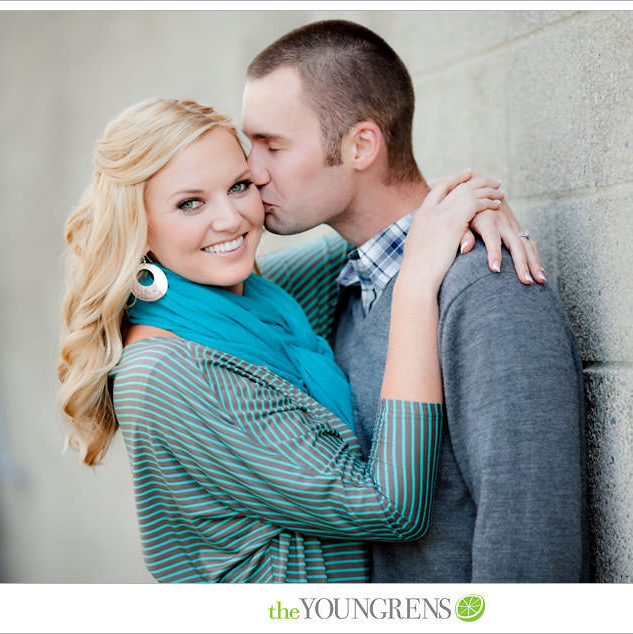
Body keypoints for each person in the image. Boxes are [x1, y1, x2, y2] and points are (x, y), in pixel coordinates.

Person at [56, 97, 529, 582]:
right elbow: (391, 507)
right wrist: (415, 290)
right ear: (138, 226)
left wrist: (471, 203)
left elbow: (384, 225)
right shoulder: (169, 375)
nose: (230, 220)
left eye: (239, 186)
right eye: (189, 203)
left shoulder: (258, 297)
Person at [242, 19, 590, 582]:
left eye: (272, 146)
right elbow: (207, 285)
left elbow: (532, 538)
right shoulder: (345, 289)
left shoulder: (490, 289)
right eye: (248, 143)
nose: (251, 171)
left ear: (361, 146)